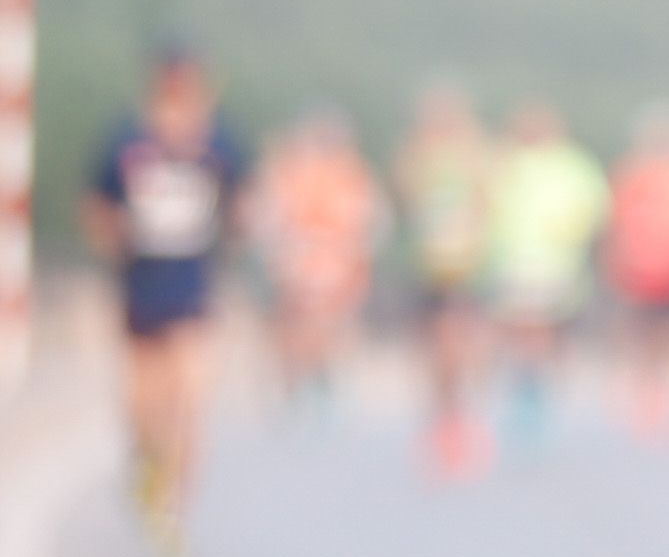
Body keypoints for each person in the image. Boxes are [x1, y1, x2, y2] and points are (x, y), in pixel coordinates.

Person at [82, 42, 252, 557]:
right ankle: (146, 462)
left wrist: (236, 232)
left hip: (193, 285)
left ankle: (176, 509)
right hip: (141, 285)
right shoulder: (128, 141)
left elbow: (243, 200)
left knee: (192, 396)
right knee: (145, 399)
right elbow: (97, 202)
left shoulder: (219, 143)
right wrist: (115, 239)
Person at [483, 104, 609, 452]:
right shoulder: (507, 162)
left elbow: (593, 214)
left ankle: (536, 394)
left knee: (542, 334)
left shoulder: (574, 166)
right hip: (514, 264)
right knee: (523, 332)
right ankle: (528, 392)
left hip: (555, 265)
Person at [251, 108, 385, 414]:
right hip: (297, 267)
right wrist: (280, 249)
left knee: (329, 324)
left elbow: (370, 220)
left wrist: (353, 248)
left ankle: (322, 376)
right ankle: (293, 380)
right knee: (295, 324)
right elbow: (270, 215)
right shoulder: (290, 171)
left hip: (338, 269)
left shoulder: (353, 173)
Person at [395, 87, 493, 476]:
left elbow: (489, 195)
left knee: (463, 346)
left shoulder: (474, 155)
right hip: (430, 269)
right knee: (435, 349)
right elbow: (403, 190)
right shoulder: (419, 156)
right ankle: (441, 418)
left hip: (466, 268)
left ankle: (462, 415)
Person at [605, 109, 669, 443]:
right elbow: (618, 225)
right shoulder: (634, 178)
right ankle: (651, 399)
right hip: (643, 271)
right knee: (647, 339)